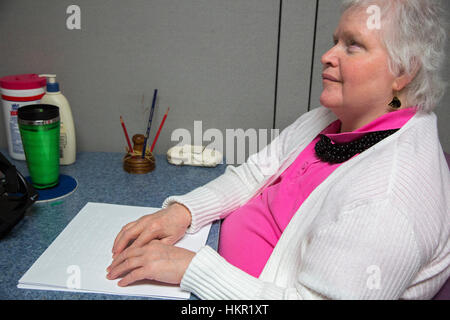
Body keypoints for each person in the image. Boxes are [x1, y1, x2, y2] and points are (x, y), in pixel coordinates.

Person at [106, 0, 449, 299]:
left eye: (353, 45)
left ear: (404, 71)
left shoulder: (388, 199)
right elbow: (253, 175)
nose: (327, 56)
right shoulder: (334, 118)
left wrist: (193, 269)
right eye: (334, 42)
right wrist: (183, 213)